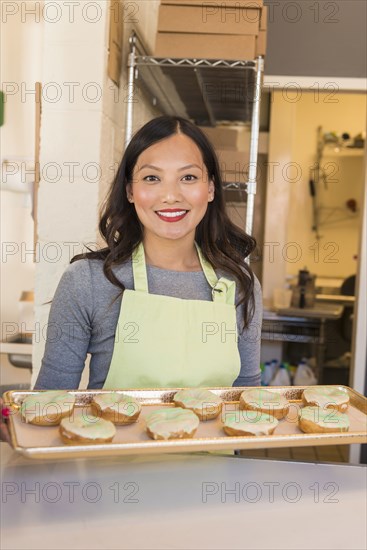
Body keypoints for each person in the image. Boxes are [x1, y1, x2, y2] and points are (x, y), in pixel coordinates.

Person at [34, 116, 262, 391]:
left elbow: (247, 398)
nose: (170, 195)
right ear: (130, 190)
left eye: (188, 177)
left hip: (213, 437)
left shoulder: (240, 284)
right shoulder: (88, 282)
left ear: (210, 188)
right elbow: (48, 403)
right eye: (152, 178)